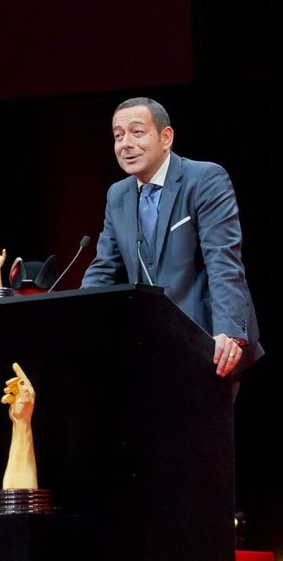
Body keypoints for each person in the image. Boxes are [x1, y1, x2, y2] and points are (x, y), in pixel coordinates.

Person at [82, 97, 262, 379]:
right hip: (148, 348)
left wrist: (229, 332)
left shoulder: (204, 179)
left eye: (137, 132)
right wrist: (74, 318)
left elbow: (223, 261)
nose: (125, 143)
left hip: (208, 345)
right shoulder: (118, 194)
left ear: (166, 137)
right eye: (118, 135)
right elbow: (104, 268)